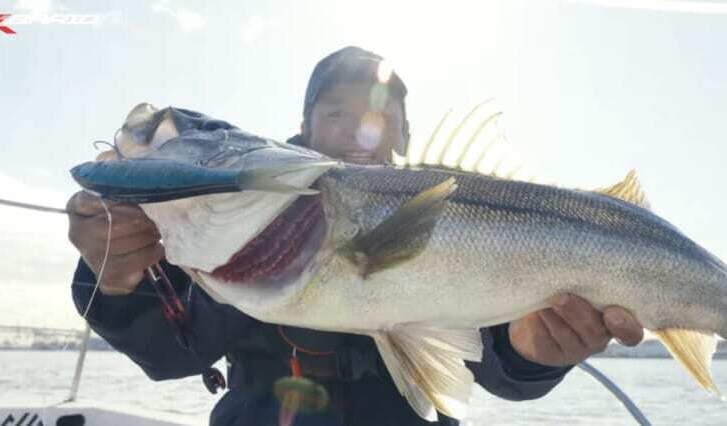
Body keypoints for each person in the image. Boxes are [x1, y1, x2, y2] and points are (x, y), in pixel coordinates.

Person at [66, 46, 644, 426]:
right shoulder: (243, 215)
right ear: (303, 124)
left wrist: (533, 354)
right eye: (336, 114)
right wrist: (115, 276)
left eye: (377, 116)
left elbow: (498, 372)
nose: (356, 131)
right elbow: (175, 353)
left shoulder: (458, 215)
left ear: (404, 132)